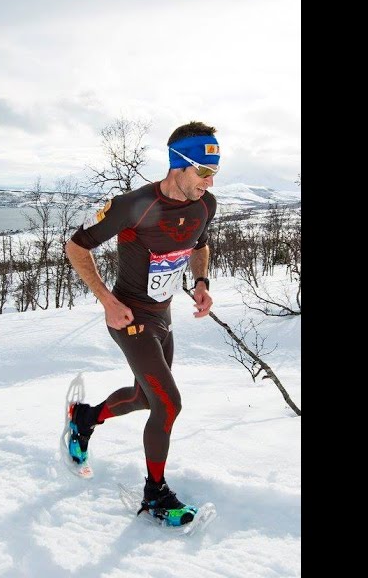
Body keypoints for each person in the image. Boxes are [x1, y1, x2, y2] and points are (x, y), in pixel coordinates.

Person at [63, 121, 220, 526]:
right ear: (179, 165)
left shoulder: (206, 205)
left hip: (162, 316)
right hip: (129, 316)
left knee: (145, 398)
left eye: (215, 172)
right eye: (203, 171)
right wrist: (107, 301)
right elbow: (76, 248)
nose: (209, 179)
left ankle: (84, 418)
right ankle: (155, 495)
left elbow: (199, 244)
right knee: (169, 404)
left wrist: (200, 282)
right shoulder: (134, 206)